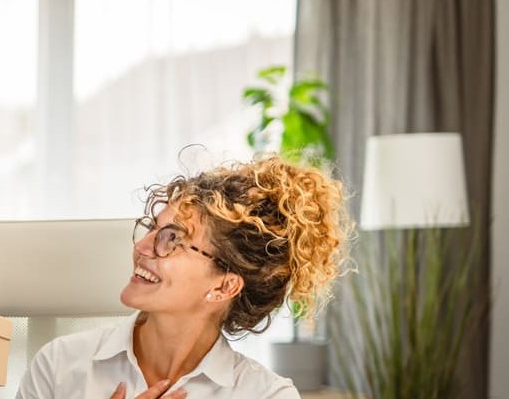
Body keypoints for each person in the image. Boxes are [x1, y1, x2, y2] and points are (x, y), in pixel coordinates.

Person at [17, 157, 348, 399]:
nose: (143, 246)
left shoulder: (265, 395)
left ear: (224, 285)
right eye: (153, 229)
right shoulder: (60, 365)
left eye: (172, 238)